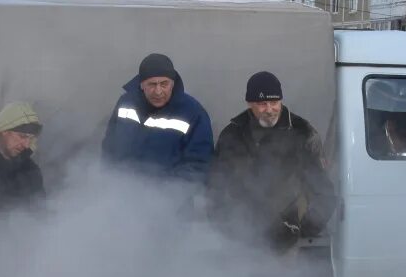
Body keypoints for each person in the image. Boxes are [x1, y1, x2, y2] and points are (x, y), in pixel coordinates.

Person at [209, 71, 335, 250]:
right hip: (239, 241)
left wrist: (301, 230)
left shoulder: (302, 133)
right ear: (250, 104)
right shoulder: (232, 134)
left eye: (274, 102)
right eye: (262, 104)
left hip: (288, 244)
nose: (269, 109)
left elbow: (325, 193)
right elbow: (216, 186)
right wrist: (226, 227)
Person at [101, 52, 214, 183]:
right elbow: (109, 147)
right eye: (152, 84)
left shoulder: (193, 113)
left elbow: (198, 166)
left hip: (168, 199)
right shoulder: (125, 104)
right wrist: (107, 182)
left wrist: (164, 194)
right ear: (141, 84)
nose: (158, 91)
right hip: (121, 193)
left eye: (164, 84)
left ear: (173, 83)